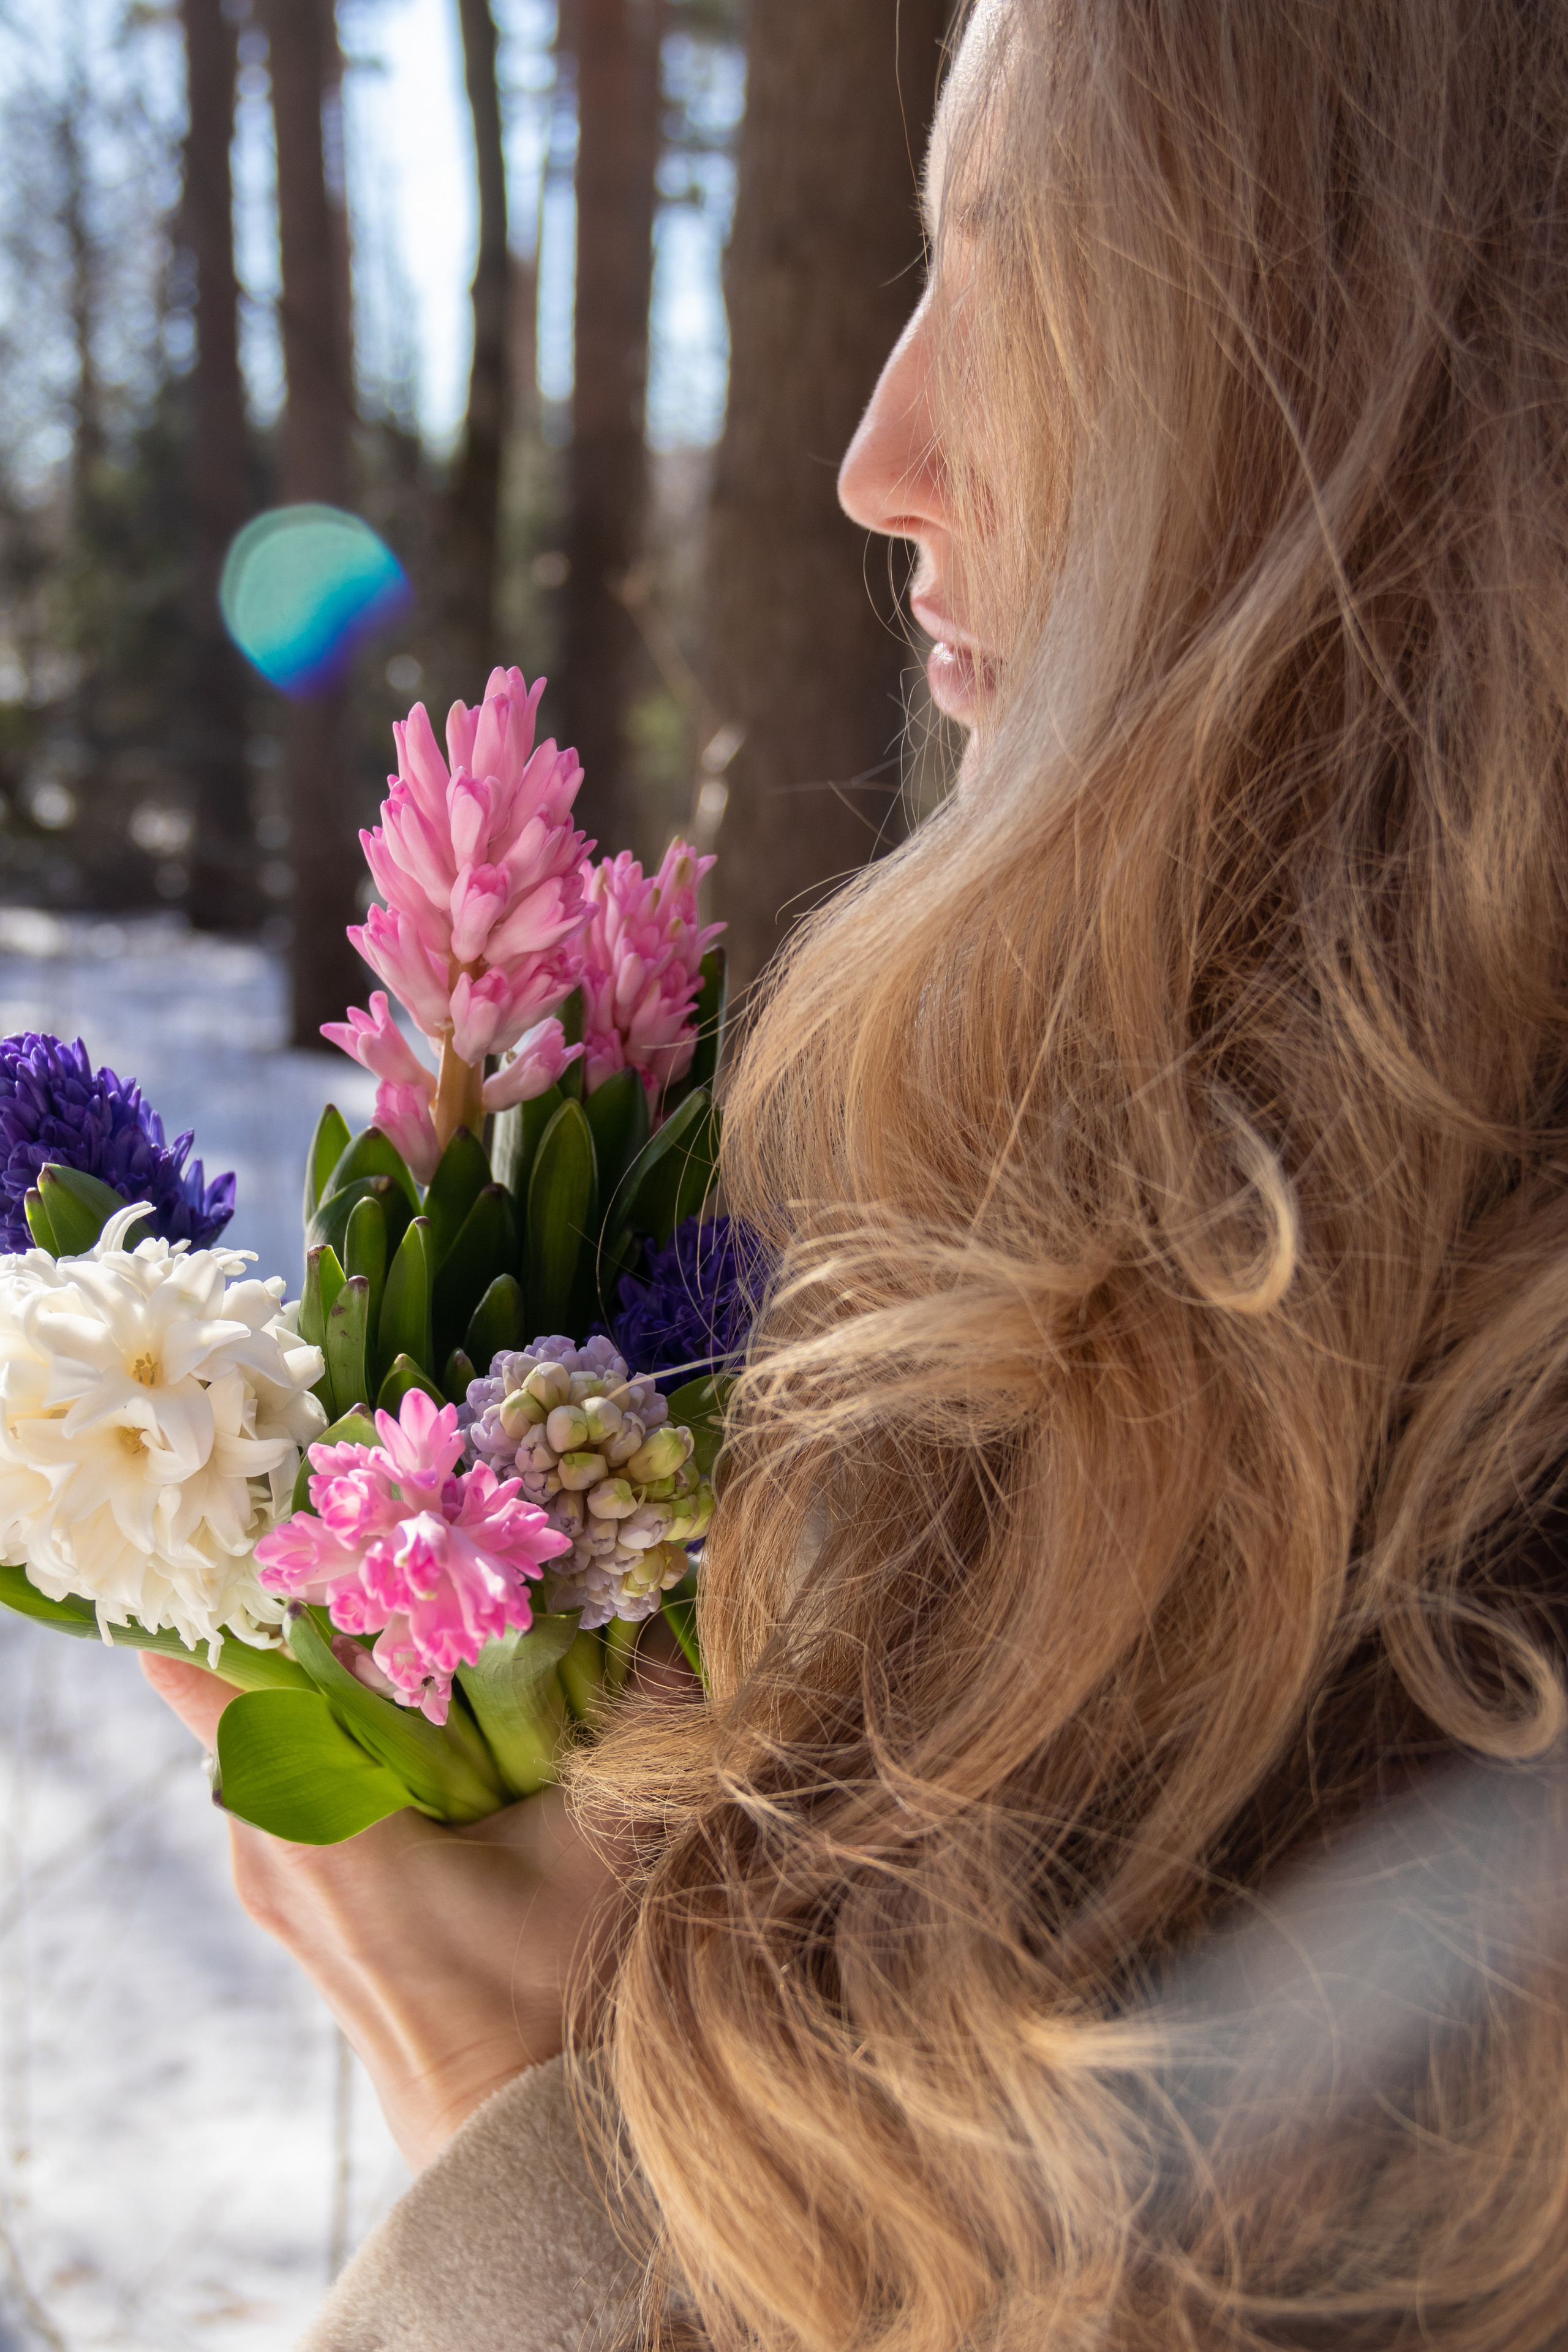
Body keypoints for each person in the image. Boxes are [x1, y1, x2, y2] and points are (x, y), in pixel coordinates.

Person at [148, 0, 1568, 2344]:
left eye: (1030, 269)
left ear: (1412, 401)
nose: (877, 454)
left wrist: (546, 2152)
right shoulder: (1112, 1296)